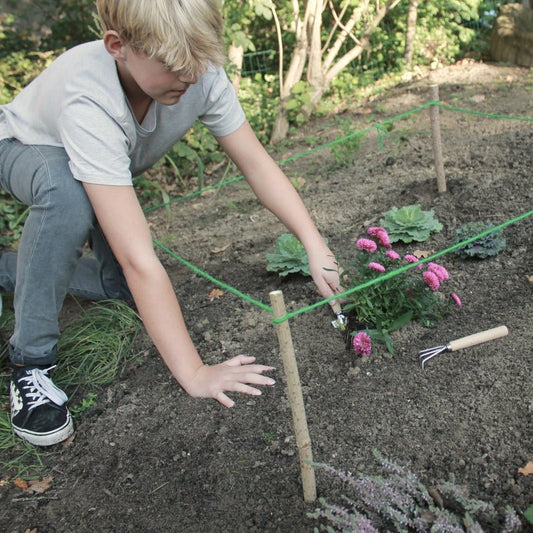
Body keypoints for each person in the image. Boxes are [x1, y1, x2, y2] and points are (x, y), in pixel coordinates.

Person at [0, 0, 341, 447]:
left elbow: (256, 163)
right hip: (25, 147)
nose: (191, 77)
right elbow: (138, 256)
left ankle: (9, 270)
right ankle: (31, 362)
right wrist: (196, 372)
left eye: (199, 63)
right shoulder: (89, 100)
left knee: (120, 286)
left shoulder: (197, 69)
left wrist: (314, 243)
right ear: (117, 46)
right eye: (176, 66)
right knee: (67, 197)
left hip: (100, 161)